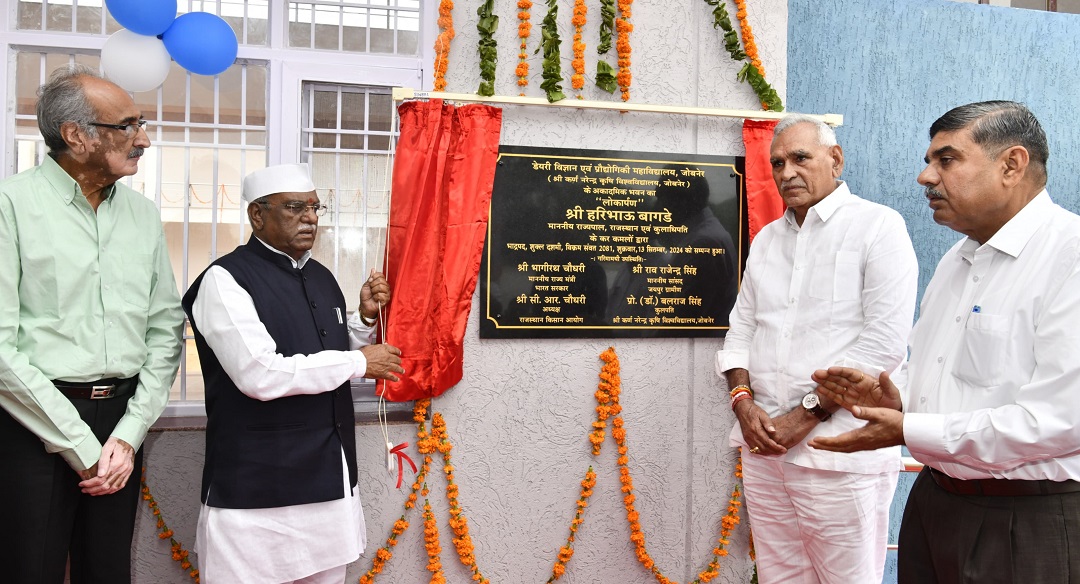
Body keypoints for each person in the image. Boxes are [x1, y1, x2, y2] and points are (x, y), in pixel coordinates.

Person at [811, 101, 1080, 583]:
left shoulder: (1070, 257)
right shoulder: (958, 257)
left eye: (947, 160)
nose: (925, 177)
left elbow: (1058, 420)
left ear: (1012, 165)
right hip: (936, 501)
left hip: (1028, 520)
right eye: (929, 160)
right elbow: (933, 364)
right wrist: (895, 396)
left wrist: (908, 431)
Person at [0, 65, 184, 583]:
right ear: (76, 136)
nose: (143, 139)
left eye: (142, 123)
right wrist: (80, 447)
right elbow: (2, 349)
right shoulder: (11, 205)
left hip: (121, 426)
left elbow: (165, 329)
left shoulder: (144, 215)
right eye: (125, 126)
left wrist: (127, 436)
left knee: (107, 571)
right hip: (32, 422)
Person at [715, 114, 918, 583]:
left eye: (800, 158)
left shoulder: (878, 227)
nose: (786, 172)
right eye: (778, 162)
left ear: (836, 159)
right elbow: (741, 330)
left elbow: (883, 346)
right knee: (778, 576)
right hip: (765, 449)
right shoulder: (767, 240)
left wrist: (805, 414)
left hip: (839, 452)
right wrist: (743, 404)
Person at [183, 163, 405, 584]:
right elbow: (260, 375)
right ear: (257, 215)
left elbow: (329, 357)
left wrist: (362, 320)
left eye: (315, 208)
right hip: (257, 493)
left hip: (327, 482)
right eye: (295, 208)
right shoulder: (224, 280)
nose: (310, 218)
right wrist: (360, 363)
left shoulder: (321, 278)